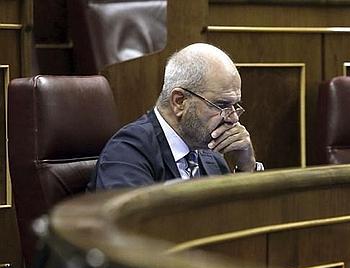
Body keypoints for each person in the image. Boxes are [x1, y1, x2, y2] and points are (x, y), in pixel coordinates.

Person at [88, 43, 262, 190]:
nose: (233, 119)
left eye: (235, 105)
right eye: (222, 105)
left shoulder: (211, 154)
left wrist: (247, 166)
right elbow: (135, 226)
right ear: (179, 101)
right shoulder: (126, 153)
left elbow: (237, 220)